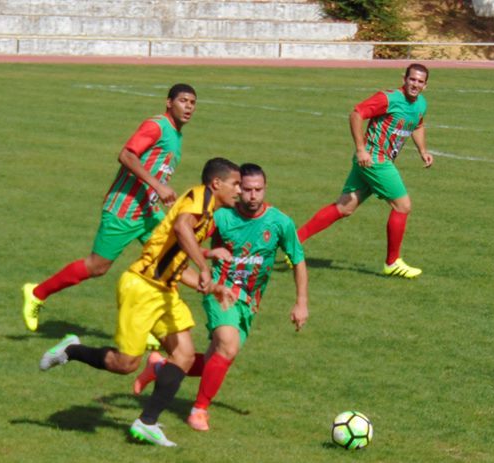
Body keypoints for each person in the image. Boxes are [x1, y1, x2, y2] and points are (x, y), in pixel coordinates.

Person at [38, 158, 241, 447]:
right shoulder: (199, 198)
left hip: (165, 292)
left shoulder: (207, 215)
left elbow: (177, 263)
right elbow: (182, 228)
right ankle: (72, 350)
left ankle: (146, 423)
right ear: (216, 183)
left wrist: (213, 287)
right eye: (235, 184)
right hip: (143, 288)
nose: (239, 190)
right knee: (125, 364)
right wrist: (205, 266)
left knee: (184, 355)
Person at [132, 163, 309, 432]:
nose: (252, 195)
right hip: (220, 291)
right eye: (246, 189)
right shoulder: (221, 217)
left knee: (215, 360)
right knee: (228, 345)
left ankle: (160, 368)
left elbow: (298, 260)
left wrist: (301, 302)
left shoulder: (280, 222)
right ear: (238, 188)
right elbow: (188, 241)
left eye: (258, 190)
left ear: (265, 188)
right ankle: (199, 410)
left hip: (249, 302)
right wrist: (206, 257)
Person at [21, 84, 198, 332]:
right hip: (124, 210)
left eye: (192, 103)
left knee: (171, 259)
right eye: (183, 101)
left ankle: (158, 328)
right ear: (169, 103)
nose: (188, 107)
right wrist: (158, 186)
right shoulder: (156, 126)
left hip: (148, 212)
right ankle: (37, 293)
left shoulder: (176, 134)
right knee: (97, 266)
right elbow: (126, 155)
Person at [295, 63, 433, 278]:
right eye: (412, 79)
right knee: (403, 206)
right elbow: (356, 114)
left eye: (420, 81)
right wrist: (361, 149)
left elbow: (417, 125)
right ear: (404, 79)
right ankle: (392, 262)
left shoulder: (421, 104)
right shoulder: (388, 99)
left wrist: (422, 150)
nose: (415, 84)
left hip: (374, 161)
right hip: (375, 159)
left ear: (426, 85)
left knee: (345, 207)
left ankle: (293, 242)